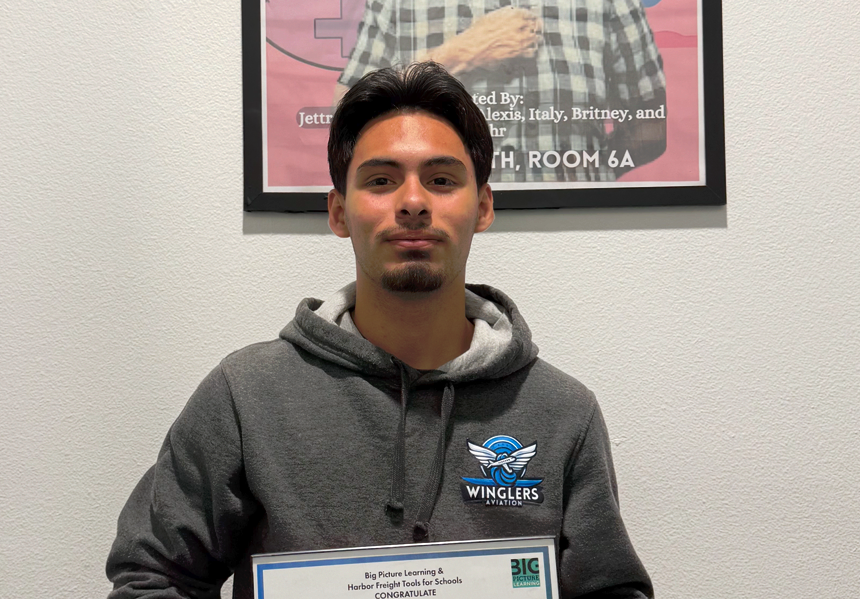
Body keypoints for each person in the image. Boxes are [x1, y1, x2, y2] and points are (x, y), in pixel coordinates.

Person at [107, 62, 652, 598]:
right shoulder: (245, 395)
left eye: (441, 180)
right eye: (381, 180)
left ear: (482, 207)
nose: (413, 202)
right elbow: (152, 575)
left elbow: (610, 588)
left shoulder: (562, 412)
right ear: (339, 212)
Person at [334, 0, 667, 182]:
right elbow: (346, 115)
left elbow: (651, 122)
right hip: (439, 226)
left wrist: (591, 171)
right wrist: (463, 52)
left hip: (578, 230)